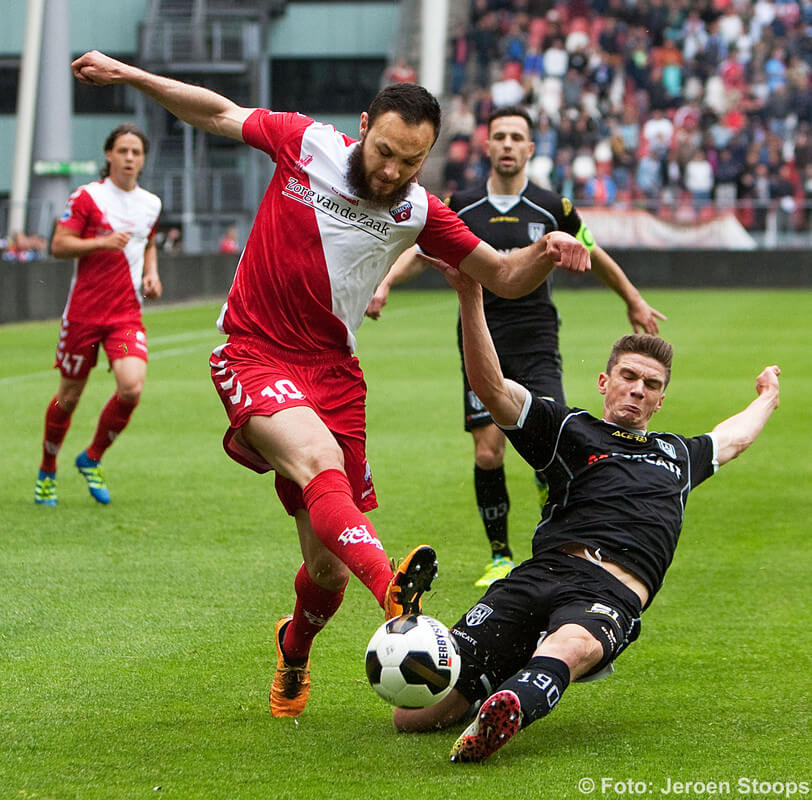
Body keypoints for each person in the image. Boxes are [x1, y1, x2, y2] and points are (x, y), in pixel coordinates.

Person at [69, 51, 592, 719]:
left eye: (411, 162)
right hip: (254, 353)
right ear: (364, 124)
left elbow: (504, 276)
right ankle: (395, 594)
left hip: (335, 378)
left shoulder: (418, 210)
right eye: (385, 152)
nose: (392, 171)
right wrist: (136, 76)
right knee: (320, 467)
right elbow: (217, 111)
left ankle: (294, 647)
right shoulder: (304, 142)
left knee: (326, 574)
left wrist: (546, 251)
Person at [392, 264, 781, 764]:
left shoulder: (679, 455)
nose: (638, 389)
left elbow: (735, 436)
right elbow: (492, 389)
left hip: (609, 590)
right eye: (628, 376)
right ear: (604, 381)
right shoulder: (567, 428)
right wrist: (471, 296)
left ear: (661, 400)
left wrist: (768, 397)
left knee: (573, 645)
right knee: (414, 716)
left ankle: (508, 708)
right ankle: (418, 631)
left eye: (651, 384)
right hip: (542, 572)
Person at [367, 105, 666, 588]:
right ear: (488, 146)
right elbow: (420, 253)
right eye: (499, 136)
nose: (507, 144)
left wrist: (632, 298)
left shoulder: (554, 208)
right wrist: (384, 284)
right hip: (480, 336)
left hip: (536, 340)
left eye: (516, 137)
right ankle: (501, 555)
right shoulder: (460, 203)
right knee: (488, 453)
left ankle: (563, 541)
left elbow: (593, 252)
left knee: (555, 445)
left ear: (530, 148)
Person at [34, 123, 162, 508]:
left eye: (136, 152)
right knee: (69, 397)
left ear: (142, 160)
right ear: (109, 155)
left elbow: (148, 241)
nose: (129, 158)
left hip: (125, 314)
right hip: (84, 314)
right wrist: (101, 242)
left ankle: (91, 457)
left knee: (132, 387)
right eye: (122, 151)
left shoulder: (150, 203)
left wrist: (152, 273)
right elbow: (58, 244)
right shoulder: (88, 197)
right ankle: (47, 469)